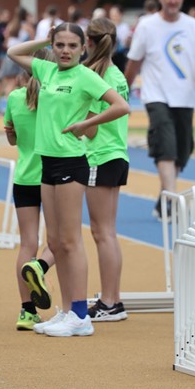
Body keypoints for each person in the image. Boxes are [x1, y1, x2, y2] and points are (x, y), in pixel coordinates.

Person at [7, 23, 130, 337]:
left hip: (71, 163)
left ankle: (80, 314)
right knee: (55, 242)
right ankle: (66, 311)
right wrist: (44, 39)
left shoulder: (85, 76)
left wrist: (86, 124)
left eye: (72, 46)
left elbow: (121, 106)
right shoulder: (46, 70)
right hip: (46, 163)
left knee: (71, 241)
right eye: (59, 45)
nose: (65, 51)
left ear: (83, 48)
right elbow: (13, 52)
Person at [124, 0, 195, 219]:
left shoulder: (192, 25)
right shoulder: (147, 25)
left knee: (183, 150)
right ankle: (173, 200)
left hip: (185, 97)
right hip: (156, 95)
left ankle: (164, 198)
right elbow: (134, 61)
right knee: (165, 145)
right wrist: (123, 89)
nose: (173, 0)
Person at [3, 47, 56, 331]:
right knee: (60, 242)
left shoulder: (14, 98)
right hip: (52, 176)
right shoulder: (55, 97)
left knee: (27, 244)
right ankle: (40, 267)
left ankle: (27, 311)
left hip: (24, 177)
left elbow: (12, 139)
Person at [82, 18, 131, 322]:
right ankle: (112, 299)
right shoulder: (116, 74)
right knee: (108, 232)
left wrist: (76, 121)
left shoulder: (95, 77)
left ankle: (109, 301)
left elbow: (89, 129)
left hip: (99, 155)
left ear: (88, 42)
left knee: (102, 233)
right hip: (117, 153)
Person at [109, 5, 131, 72]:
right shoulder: (108, 26)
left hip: (120, 55)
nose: (113, 17)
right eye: (112, 15)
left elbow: (126, 42)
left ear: (120, 15)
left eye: (115, 14)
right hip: (109, 55)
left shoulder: (125, 27)